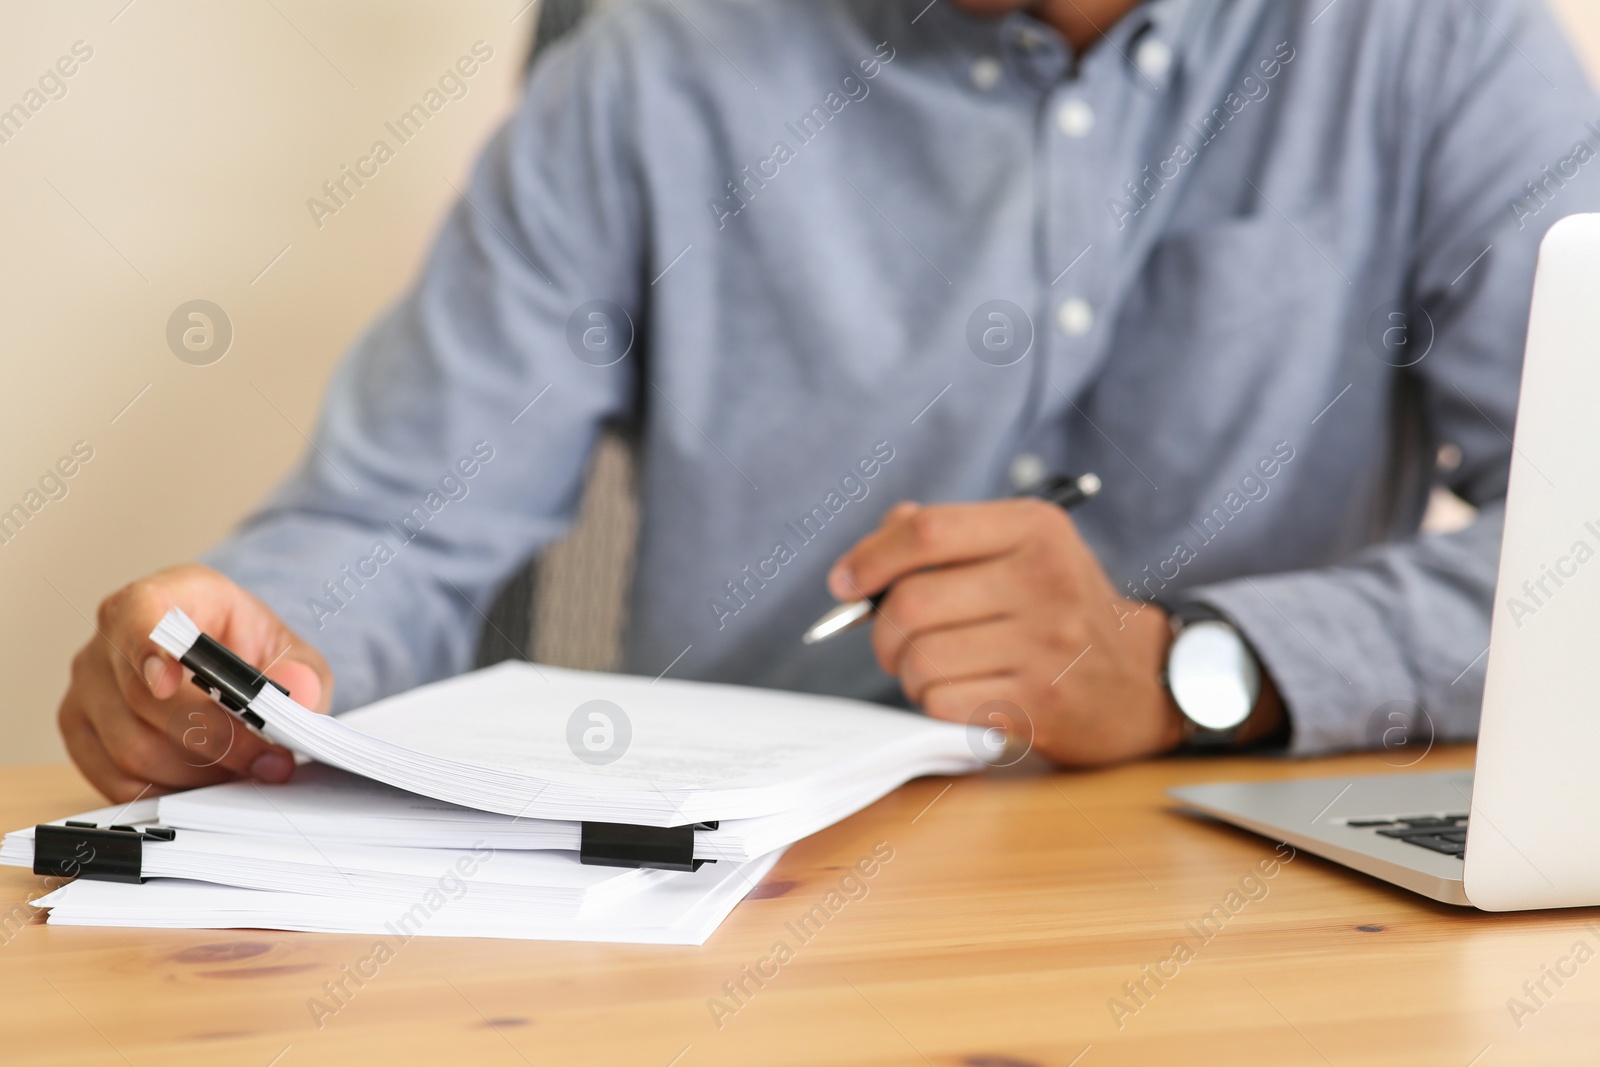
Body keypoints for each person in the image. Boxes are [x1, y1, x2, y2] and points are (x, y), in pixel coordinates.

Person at [60, 0, 1600, 801]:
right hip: (727, 920)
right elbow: (396, 519)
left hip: (1224, 903)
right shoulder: (652, 69)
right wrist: (253, 665)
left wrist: (1199, 666)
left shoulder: (1428, 44)